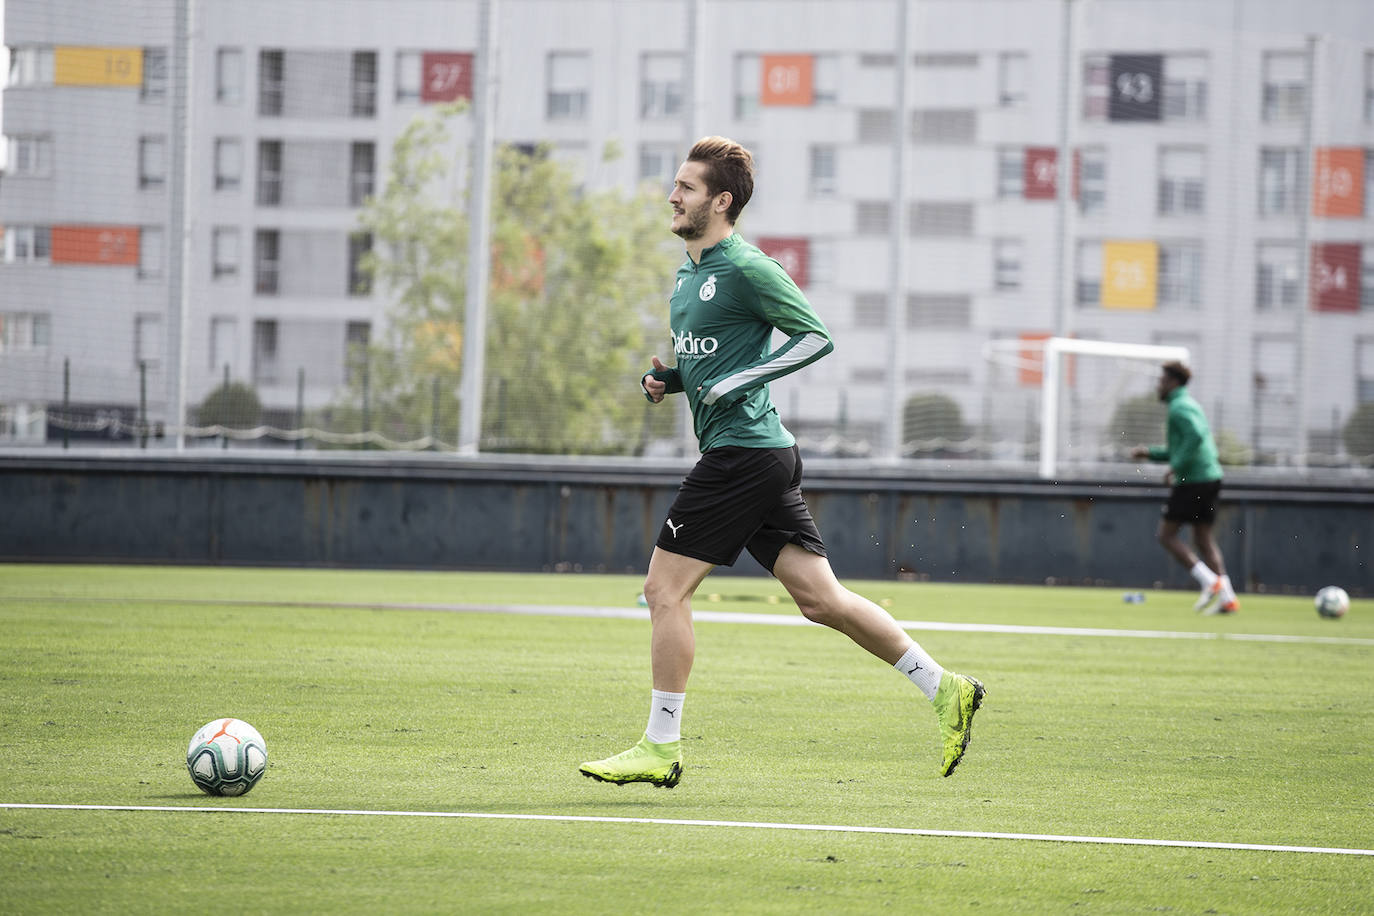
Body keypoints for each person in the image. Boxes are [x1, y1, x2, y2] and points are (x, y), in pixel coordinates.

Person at [579, 136, 986, 789]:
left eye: (684, 187)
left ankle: (660, 745)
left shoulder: (748, 267)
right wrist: (673, 380)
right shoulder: (690, 272)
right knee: (822, 601)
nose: (671, 196)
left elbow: (814, 338)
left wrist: (737, 383)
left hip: (743, 454)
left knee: (664, 590)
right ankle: (946, 689)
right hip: (759, 455)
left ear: (720, 200)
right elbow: (711, 360)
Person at [1130, 360, 1238, 614]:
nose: (1159, 385)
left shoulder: (1179, 407)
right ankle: (1228, 598)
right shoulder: (1186, 404)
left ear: (1173, 382)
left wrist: (1176, 466)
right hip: (1209, 476)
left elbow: (1196, 437)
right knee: (1203, 539)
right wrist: (1149, 453)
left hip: (1194, 480)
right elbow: (1181, 446)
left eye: (1162, 381)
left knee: (1166, 536)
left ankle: (1210, 582)